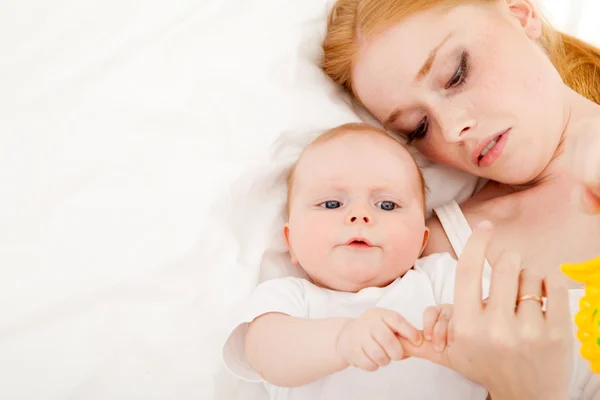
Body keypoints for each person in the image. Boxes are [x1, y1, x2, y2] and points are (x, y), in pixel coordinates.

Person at [321, 0, 600, 398]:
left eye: (456, 75)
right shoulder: (435, 257)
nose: (453, 130)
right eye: (419, 128)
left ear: (521, 13)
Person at [222, 123, 574, 400]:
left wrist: (464, 327)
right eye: (332, 204)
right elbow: (267, 355)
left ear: (421, 240)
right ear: (291, 242)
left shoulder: (437, 279)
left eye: (386, 205)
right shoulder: (289, 299)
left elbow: (501, 331)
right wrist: (341, 340)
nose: (359, 216)